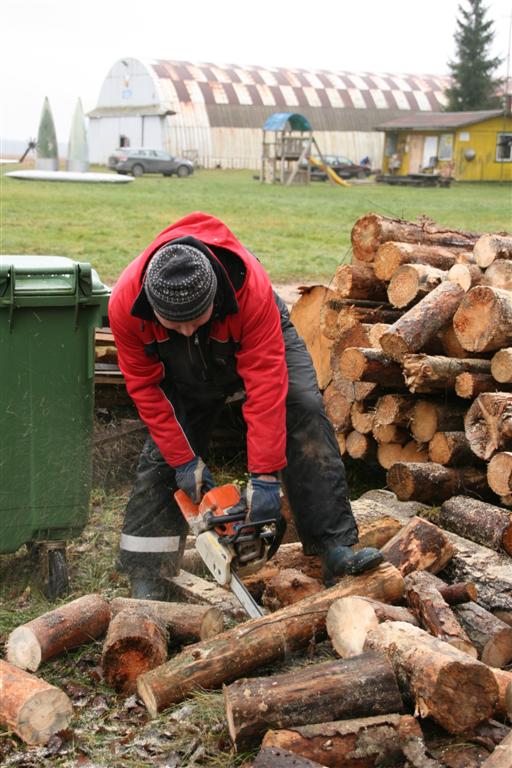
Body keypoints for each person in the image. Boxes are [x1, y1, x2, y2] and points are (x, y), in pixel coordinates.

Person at [108, 211, 383, 600]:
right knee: (164, 454)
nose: (187, 329)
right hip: (179, 363)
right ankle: (147, 571)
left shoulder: (248, 290)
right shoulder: (126, 305)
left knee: (301, 405)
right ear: (152, 307)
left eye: (194, 319)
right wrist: (184, 461)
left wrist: (265, 477)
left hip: (254, 335)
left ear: (214, 296)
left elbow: (266, 385)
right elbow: (147, 391)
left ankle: (334, 546)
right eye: (176, 323)